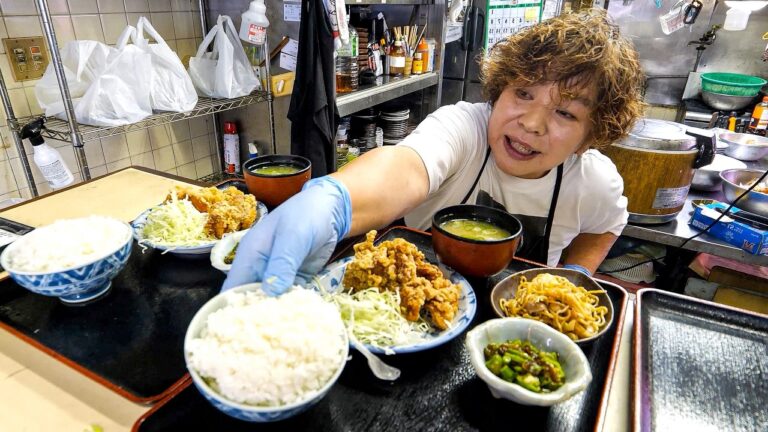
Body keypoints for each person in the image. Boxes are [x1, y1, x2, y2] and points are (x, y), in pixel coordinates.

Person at [224, 9, 645, 295]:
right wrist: (332, 201)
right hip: (411, 302)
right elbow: (403, 168)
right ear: (498, 91)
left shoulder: (594, 181)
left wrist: (573, 276)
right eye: (523, 93)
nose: (532, 122)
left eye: (565, 113)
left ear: (591, 136)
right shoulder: (465, 126)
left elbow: (605, 225)